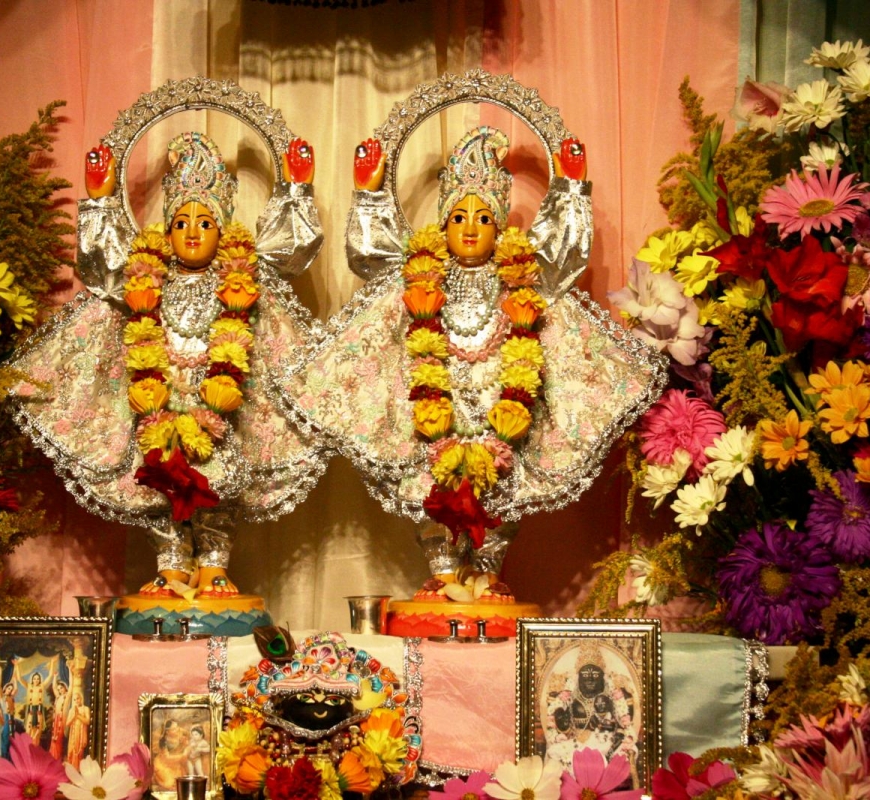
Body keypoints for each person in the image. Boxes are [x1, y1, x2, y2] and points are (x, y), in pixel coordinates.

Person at [281, 126, 665, 600]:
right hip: (432, 409)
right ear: (442, 226)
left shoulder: (520, 276)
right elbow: (373, 257)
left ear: (500, 229)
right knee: (430, 482)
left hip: (503, 407)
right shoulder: (421, 274)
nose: (469, 227)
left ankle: (488, 573)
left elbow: (562, 260)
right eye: (458, 216)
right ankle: (442, 573)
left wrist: (571, 188)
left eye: (483, 218)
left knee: (504, 483)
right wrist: (370, 195)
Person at [13, 130, 325, 598]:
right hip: (157, 400)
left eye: (206, 222)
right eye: (181, 222)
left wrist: (297, 189)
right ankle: (172, 562)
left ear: (224, 231)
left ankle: (215, 563)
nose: (193, 232)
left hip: (220, 404)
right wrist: (99, 201)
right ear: (166, 231)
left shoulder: (241, 274)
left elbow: (291, 250)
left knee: (218, 479)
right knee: (158, 479)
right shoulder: (146, 274)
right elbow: (100, 268)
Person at [13, 657, 57, 745]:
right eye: (34, 678)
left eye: (37, 679)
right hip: (30, 709)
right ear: (32, 679)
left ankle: (35, 746)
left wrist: (52, 662)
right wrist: (17, 666)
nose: (36, 680)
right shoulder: (29, 686)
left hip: (39, 710)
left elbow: (50, 676)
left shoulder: (42, 686)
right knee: (29, 728)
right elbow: (19, 678)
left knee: (38, 728)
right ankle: (28, 745)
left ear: (40, 680)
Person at [151, 719, 189, 789]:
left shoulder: (180, 733)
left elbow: (188, 737)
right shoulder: (163, 741)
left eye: (177, 727)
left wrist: (185, 743)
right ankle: (156, 778)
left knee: (183, 778)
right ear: (167, 732)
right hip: (163, 763)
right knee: (169, 783)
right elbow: (167, 758)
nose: (177, 729)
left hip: (175, 762)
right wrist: (182, 756)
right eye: (174, 729)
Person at [65, 690, 91, 768]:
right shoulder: (71, 710)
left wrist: (78, 716)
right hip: (73, 734)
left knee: (79, 752)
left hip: (81, 733)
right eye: (74, 699)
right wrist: (73, 716)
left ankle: (77, 769)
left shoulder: (86, 708)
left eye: (78, 698)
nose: (76, 701)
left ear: (81, 699)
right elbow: (67, 723)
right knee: (71, 751)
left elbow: (87, 721)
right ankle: (71, 769)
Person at [48, 680, 70, 760]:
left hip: (62, 719)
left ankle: (57, 757)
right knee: (54, 738)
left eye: (61, 688)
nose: (60, 690)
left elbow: (71, 687)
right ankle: (53, 755)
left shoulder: (67, 696)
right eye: (59, 689)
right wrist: (54, 677)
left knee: (59, 738)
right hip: (56, 719)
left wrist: (71, 674)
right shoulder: (58, 697)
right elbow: (54, 687)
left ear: (65, 688)